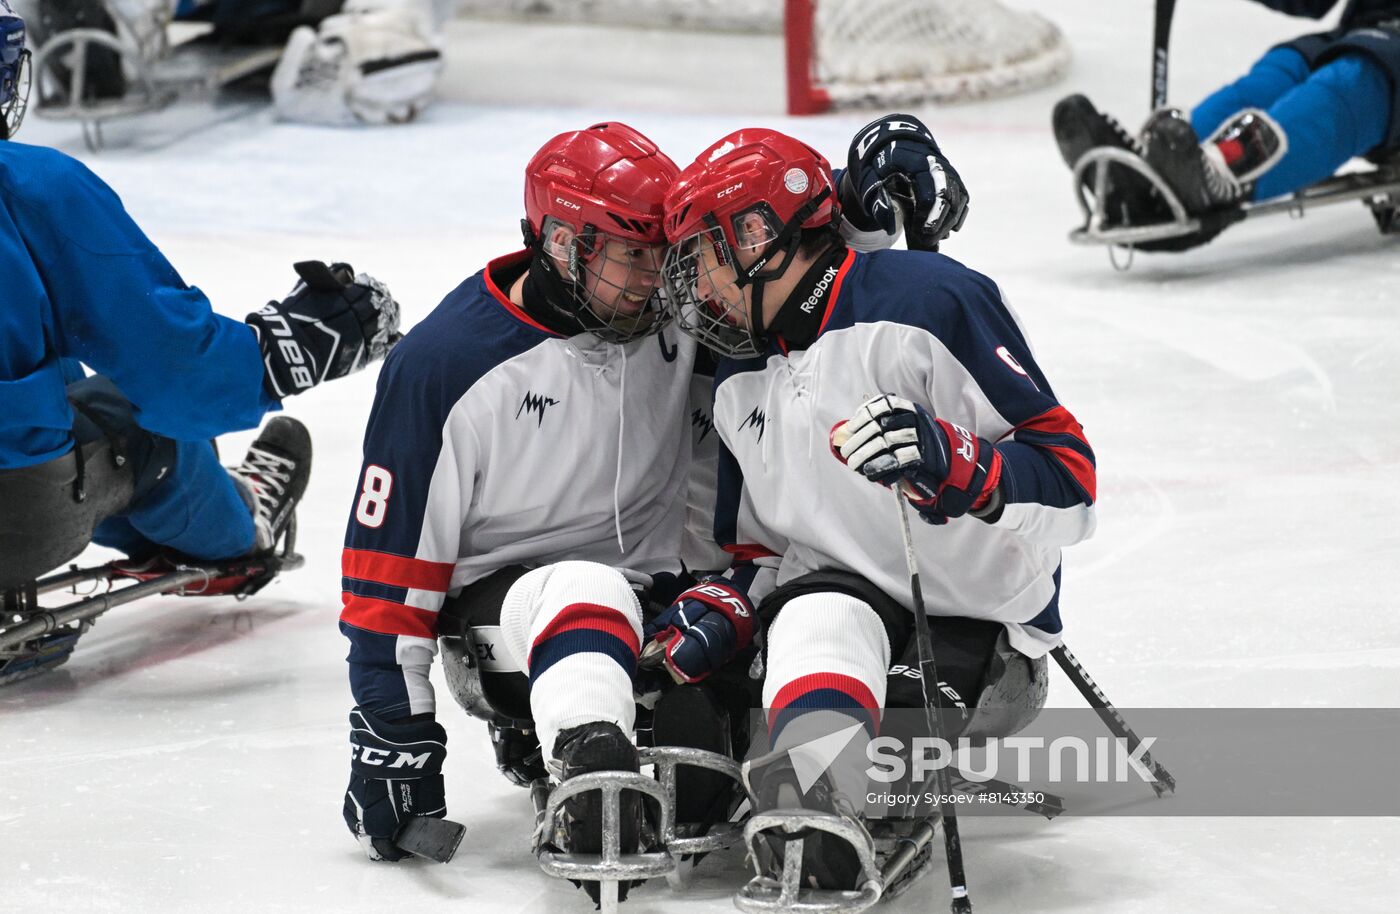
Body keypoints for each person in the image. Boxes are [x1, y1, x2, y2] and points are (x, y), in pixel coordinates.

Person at [336, 117, 970, 902]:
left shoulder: (678, 313)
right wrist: (393, 738)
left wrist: (861, 207)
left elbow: (797, 276)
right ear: (561, 244)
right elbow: (384, 579)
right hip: (511, 629)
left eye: (662, 253)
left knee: (744, 720)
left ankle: (811, 788)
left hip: (671, 605)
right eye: (627, 254)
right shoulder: (441, 367)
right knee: (583, 587)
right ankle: (587, 753)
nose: (651, 277)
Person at [658, 127, 1095, 894]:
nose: (698, 288)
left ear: (760, 237)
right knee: (778, 638)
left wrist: (960, 464)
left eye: (707, 256)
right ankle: (811, 804)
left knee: (895, 729)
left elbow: (1072, 484)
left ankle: (830, 783)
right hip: (836, 602)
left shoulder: (929, 303)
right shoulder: (737, 370)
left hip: (972, 617)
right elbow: (762, 550)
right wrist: (728, 599)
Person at [1, 1, 402, 600]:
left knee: (61, 407)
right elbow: (172, 371)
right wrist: (285, 348)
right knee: (141, 423)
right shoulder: (31, 186)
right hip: (14, 521)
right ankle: (243, 520)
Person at [1053, 0, 1399, 247]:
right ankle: (1155, 174)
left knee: (1353, 82)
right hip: (1372, 26)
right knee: (1280, 71)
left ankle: (1218, 178)